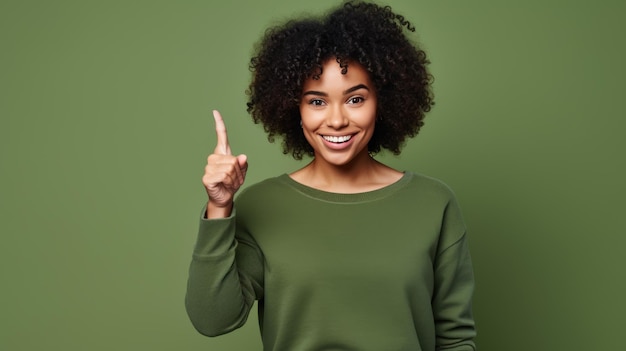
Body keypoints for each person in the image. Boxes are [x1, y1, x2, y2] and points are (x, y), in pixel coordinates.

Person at [185, 1, 477, 350]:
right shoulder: (262, 206)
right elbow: (213, 319)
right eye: (317, 101)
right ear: (294, 107)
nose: (336, 120)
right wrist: (219, 207)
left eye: (355, 99)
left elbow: (456, 338)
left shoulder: (433, 203)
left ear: (383, 102)